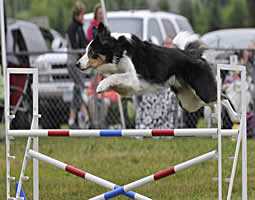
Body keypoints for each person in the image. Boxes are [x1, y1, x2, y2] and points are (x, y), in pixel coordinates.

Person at [135, 35, 181, 138]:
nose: (167, 46)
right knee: (147, 95)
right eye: (166, 43)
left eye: (170, 43)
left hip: (171, 88)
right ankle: (145, 126)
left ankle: (160, 126)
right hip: (156, 87)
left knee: (168, 97)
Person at [223, 41, 255, 137]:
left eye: (252, 51)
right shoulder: (237, 62)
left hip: (248, 91)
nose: (250, 53)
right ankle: (237, 121)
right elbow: (230, 79)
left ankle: (243, 122)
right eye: (248, 51)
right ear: (243, 51)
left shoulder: (252, 64)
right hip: (235, 90)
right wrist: (244, 61)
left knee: (246, 93)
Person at [66, 1, 89, 129]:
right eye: (81, 15)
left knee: (76, 90)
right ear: (76, 15)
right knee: (80, 88)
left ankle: (71, 120)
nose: (83, 17)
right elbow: (75, 46)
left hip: (79, 63)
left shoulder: (80, 27)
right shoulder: (72, 28)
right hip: (72, 63)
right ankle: (86, 117)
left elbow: (84, 42)